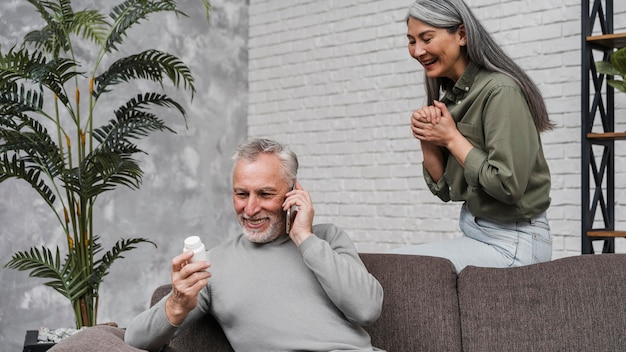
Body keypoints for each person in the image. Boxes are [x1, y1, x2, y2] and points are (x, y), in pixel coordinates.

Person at [124, 138, 384, 351]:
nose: (250, 208)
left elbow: (367, 309)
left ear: (293, 192)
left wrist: (305, 238)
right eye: (241, 194)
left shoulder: (327, 238)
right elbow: (133, 340)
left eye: (265, 194)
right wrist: (176, 304)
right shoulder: (212, 265)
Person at [389, 0, 553, 272]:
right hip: (478, 234)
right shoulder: (453, 98)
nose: (417, 51)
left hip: (513, 242)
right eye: (411, 41)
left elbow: (508, 186)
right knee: (396, 266)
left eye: (426, 38)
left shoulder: (500, 91)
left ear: (462, 35)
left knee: (399, 268)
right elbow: (445, 191)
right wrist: (428, 139)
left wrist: (452, 138)